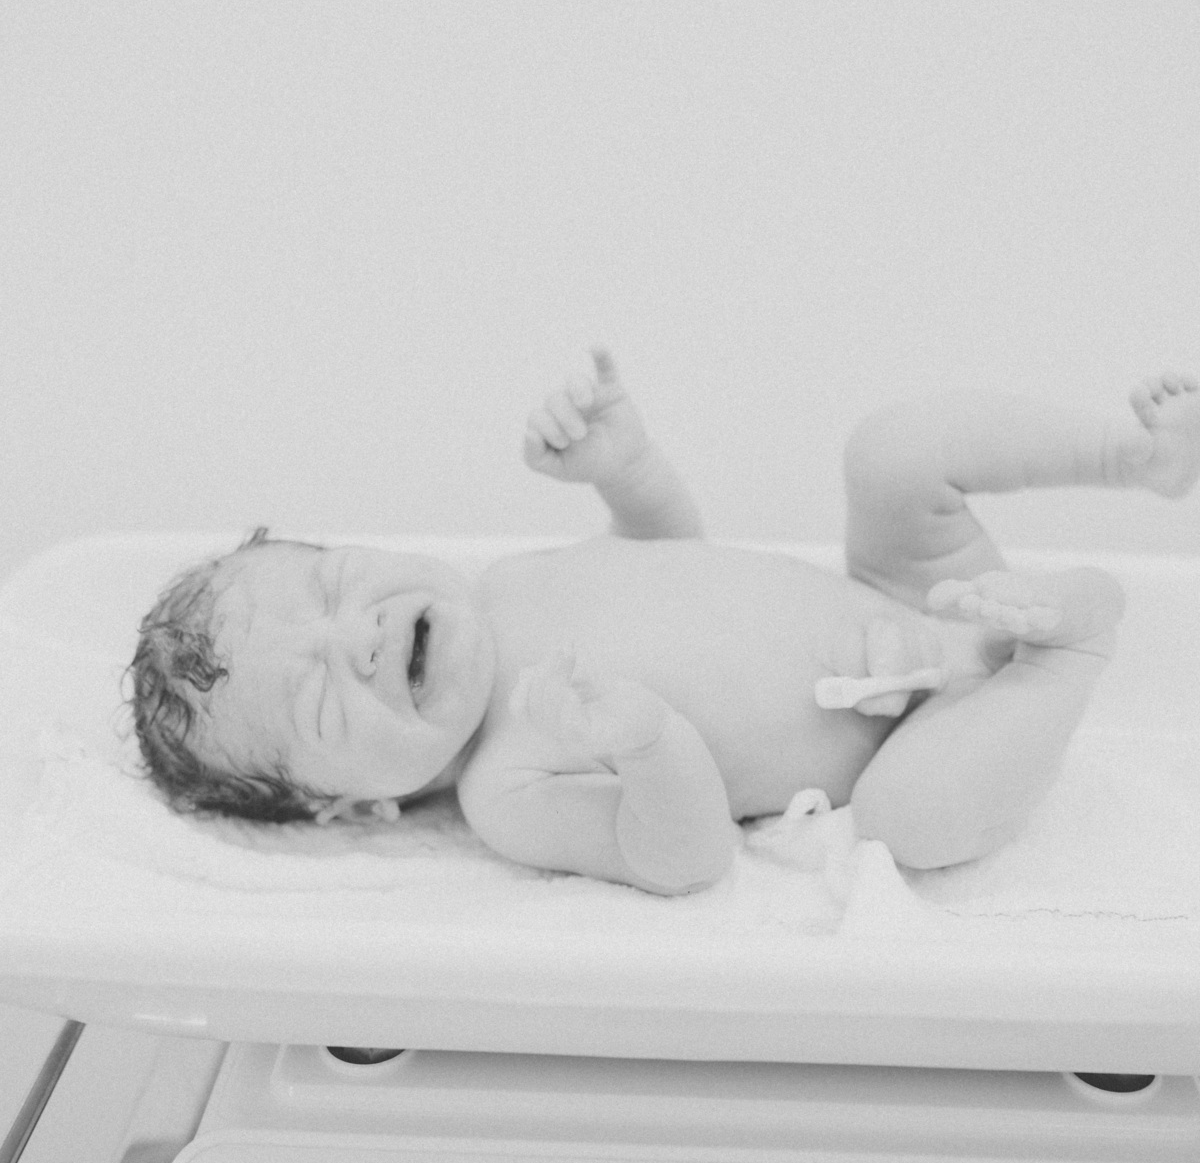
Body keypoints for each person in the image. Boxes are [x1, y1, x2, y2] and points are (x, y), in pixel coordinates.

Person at [131, 350, 1199, 893]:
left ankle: (1136, 456)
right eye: (322, 700)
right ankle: (1064, 655)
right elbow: (682, 859)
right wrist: (644, 742)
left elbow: (667, 551)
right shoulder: (506, 792)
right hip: (927, 734)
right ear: (353, 809)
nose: (354, 640)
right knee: (910, 825)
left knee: (891, 452)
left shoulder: (508, 581)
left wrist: (624, 468)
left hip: (910, 589)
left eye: (331, 588)